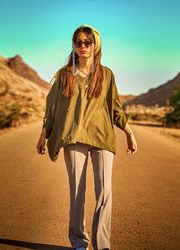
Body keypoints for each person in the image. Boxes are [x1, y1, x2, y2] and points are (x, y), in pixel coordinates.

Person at [36, 24, 137, 250]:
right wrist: (44, 135)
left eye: (87, 42)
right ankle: (79, 243)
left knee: (105, 194)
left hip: (102, 137)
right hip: (74, 139)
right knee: (77, 193)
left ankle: (102, 246)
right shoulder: (64, 75)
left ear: (95, 45)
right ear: (74, 45)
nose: (83, 46)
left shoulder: (106, 74)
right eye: (78, 42)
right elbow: (52, 108)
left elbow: (115, 108)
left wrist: (129, 133)